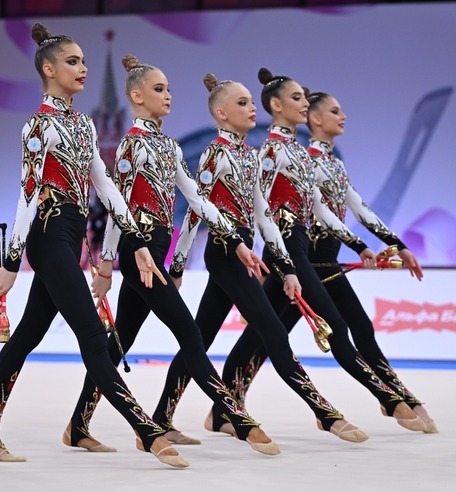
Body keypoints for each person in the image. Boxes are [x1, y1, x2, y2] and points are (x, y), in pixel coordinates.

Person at [0, 23, 189, 468]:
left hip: (71, 237)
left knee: (27, 335)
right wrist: (12, 261)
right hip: (47, 237)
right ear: (48, 69)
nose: (83, 68)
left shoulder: (84, 125)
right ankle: (146, 430)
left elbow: (107, 188)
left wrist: (138, 243)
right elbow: (27, 194)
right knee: (93, 333)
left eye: (85, 61)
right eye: (73, 61)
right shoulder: (39, 126)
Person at [65, 56, 280, 456]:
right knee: (191, 332)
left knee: (120, 342)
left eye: (168, 89)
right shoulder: (132, 144)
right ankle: (237, 418)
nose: (168, 96)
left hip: (157, 250)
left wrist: (233, 240)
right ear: (136, 96)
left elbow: (197, 199)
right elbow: (119, 208)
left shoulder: (170, 146)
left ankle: (78, 424)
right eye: (159, 89)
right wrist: (109, 262)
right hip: (137, 251)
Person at [142, 73, 367, 444]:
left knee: (200, 337)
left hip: (244, 254)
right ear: (221, 113)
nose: (251, 110)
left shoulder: (249, 156)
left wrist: (287, 267)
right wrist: (178, 265)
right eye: (243, 103)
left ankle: (163, 417)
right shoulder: (215, 154)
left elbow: (264, 218)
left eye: (251, 102)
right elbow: (196, 212)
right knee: (274, 332)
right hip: (225, 255)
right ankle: (326, 416)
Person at [214, 69, 428, 433]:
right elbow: (261, 207)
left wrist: (378, 244)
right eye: (333, 110)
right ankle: (389, 399)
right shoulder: (274, 151)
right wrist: (254, 251)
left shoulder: (315, 159)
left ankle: (225, 408)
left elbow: (344, 207)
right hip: (294, 255)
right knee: (310, 330)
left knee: (270, 334)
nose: (342, 116)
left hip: (316, 256)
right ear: (284, 107)